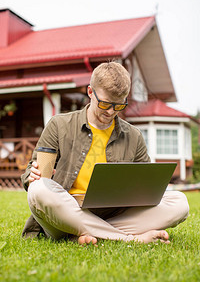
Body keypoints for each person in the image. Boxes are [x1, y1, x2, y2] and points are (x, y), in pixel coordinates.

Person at [21, 61, 189, 245]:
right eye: (105, 104)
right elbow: (32, 171)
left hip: (115, 214)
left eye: (118, 106)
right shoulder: (59, 125)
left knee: (180, 202)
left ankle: (85, 233)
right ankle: (129, 239)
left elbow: (147, 186)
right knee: (38, 191)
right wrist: (33, 176)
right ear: (90, 92)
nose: (110, 112)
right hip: (67, 210)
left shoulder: (134, 136)